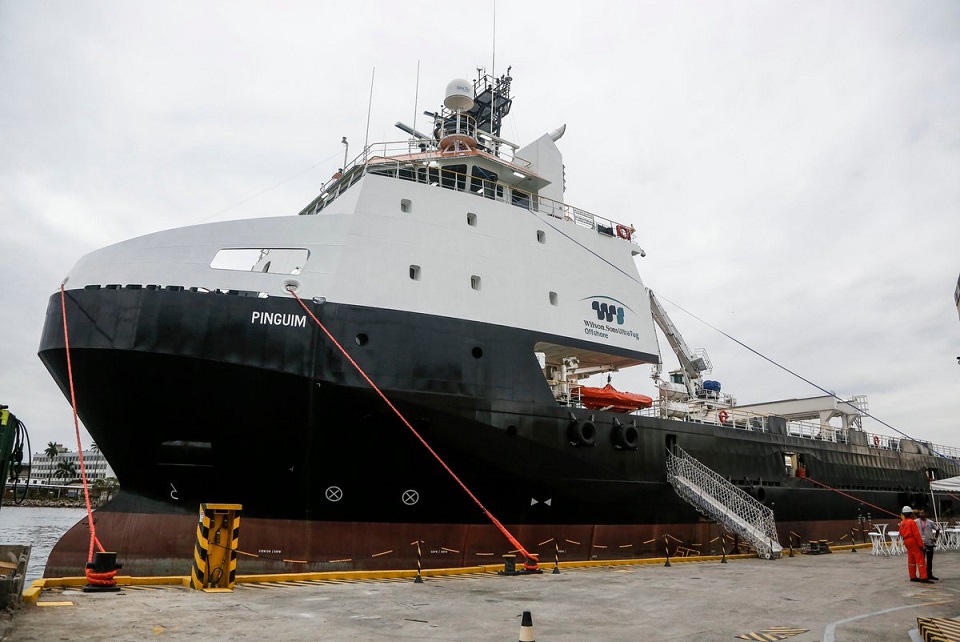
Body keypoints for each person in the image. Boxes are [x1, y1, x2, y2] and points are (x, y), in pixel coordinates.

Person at [899, 506, 932, 583]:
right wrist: (921, 545)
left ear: (903, 514)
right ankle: (923, 577)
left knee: (911, 559)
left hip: (906, 540)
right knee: (920, 559)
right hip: (912, 540)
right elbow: (916, 534)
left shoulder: (901, 523)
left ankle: (912, 576)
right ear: (910, 514)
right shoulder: (912, 522)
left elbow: (901, 533)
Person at [917, 508, 940, 580]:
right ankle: (922, 575)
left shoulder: (930, 522)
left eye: (922, 513)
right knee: (921, 561)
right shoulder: (916, 522)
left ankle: (929, 574)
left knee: (929, 560)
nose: (921, 515)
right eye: (920, 513)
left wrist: (935, 538)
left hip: (929, 543)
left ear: (925, 514)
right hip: (920, 544)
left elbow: (937, 529)